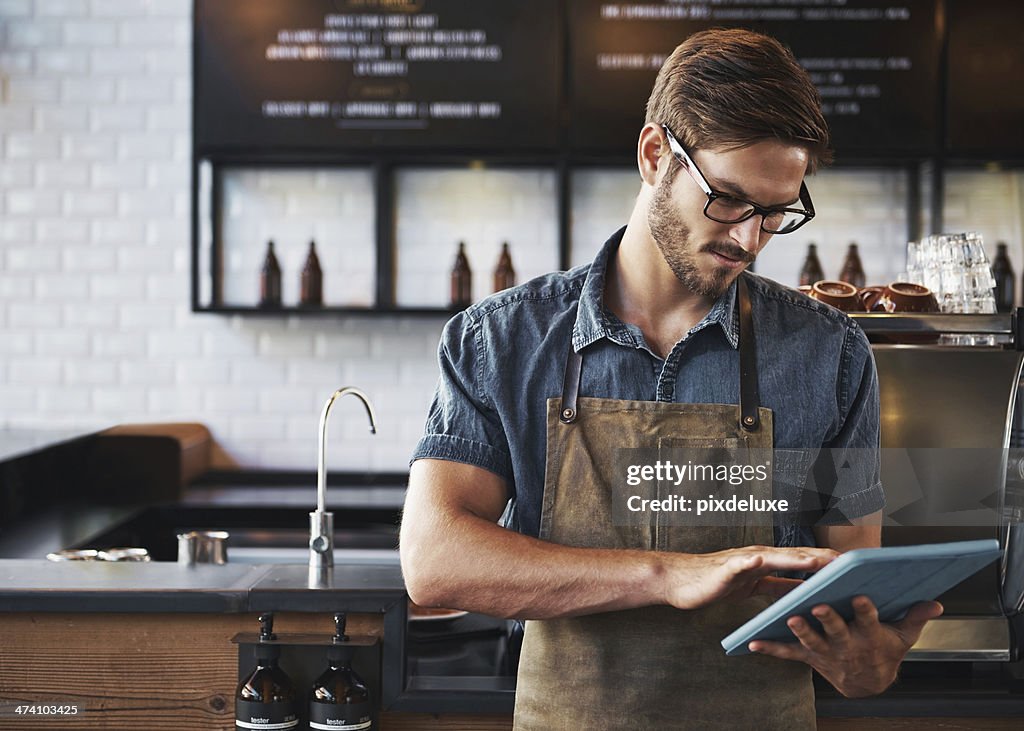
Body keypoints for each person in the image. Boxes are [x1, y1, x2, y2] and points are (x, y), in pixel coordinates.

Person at [400, 28, 942, 730]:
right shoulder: (501, 340)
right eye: (729, 200)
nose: (750, 239)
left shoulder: (829, 355)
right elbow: (435, 559)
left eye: (776, 213)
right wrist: (668, 574)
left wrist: (865, 663)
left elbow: (852, 593)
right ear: (656, 154)